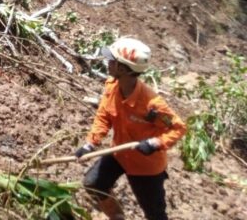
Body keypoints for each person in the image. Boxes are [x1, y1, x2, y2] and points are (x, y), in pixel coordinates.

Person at [75, 37, 186, 220]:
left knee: (155, 214)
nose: (108, 63)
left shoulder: (152, 104)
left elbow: (178, 128)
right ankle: (117, 216)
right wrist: (90, 144)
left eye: (112, 60)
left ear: (123, 68)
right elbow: (103, 116)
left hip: (146, 165)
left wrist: (156, 142)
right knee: (93, 183)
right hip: (120, 153)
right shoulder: (112, 86)